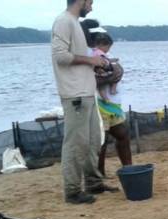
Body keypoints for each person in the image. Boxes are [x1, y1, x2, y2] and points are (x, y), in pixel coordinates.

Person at [51, 0, 117, 204]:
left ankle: (93, 183)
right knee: (75, 144)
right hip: (75, 94)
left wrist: (97, 66)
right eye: (91, 1)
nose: (92, 6)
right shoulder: (64, 21)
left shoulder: (74, 23)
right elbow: (60, 56)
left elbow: (75, 58)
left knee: (93, 141)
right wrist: (92, 61)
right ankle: (72, 191)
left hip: (86, 92)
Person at [90, 31, 132, 177]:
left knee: (123, 134)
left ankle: (128, 168)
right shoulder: (92, 56)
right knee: (102, 140)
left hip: (113, 105)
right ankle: (99, 173)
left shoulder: (103, 56)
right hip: (100, 105)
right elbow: (98, 77)